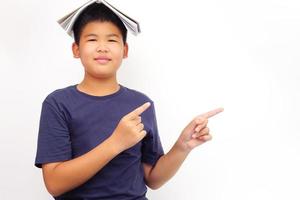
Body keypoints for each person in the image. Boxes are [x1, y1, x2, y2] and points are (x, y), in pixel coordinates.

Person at [34, 2, 223, 200]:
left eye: (112, 40)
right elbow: (54, 183)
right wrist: (116, 143)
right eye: (92, 39)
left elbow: (153, 178)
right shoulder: (58, 104)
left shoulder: (141, 104)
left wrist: (182, 146)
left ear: (124, 50)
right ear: (76, 49)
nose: (102, 48)